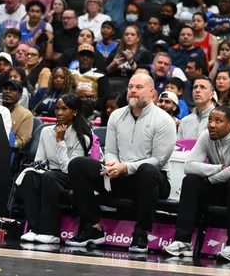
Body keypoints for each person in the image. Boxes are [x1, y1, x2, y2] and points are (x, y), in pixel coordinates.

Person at [66, 74, 175, 252]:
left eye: (138, 87)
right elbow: (110, 150)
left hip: (153, 180)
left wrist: (125, 168)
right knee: (78, 164)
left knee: (147, 170)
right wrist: (112, 165)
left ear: (152, 92)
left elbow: (158, 160)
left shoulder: (164, 120)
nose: (132, 90)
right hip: (119, 175)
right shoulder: (116, 115)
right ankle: (92, 227)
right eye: (131, 86)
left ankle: (141, 233)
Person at [163, 106, 230, 260]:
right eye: (210, 120)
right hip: (217, 189)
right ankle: (183, 241)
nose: (212, 124)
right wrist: (218, 168)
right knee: (191, 180)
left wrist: (210, 179)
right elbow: (189, 166)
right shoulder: (206, 136)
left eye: (218, 121)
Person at [19, 94, 93, 244]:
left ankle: (51, 232)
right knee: (30, 176)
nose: (58, 112)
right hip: (50, 173)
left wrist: (60, 141)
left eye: (64, 109)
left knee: (49, 177)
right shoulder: (46, 132)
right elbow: (39, 160)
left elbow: (71, 169)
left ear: (75, 112)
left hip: (73, 178)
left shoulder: (83, 137)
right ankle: (33, 229)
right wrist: (37, 169)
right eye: (57, 108)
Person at [178, 76, 216, 140]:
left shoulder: (220, 120)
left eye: (202, 87)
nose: (197, 90)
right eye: (195, 87)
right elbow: (178, 147)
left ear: (211, 95)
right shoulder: (184, 121)